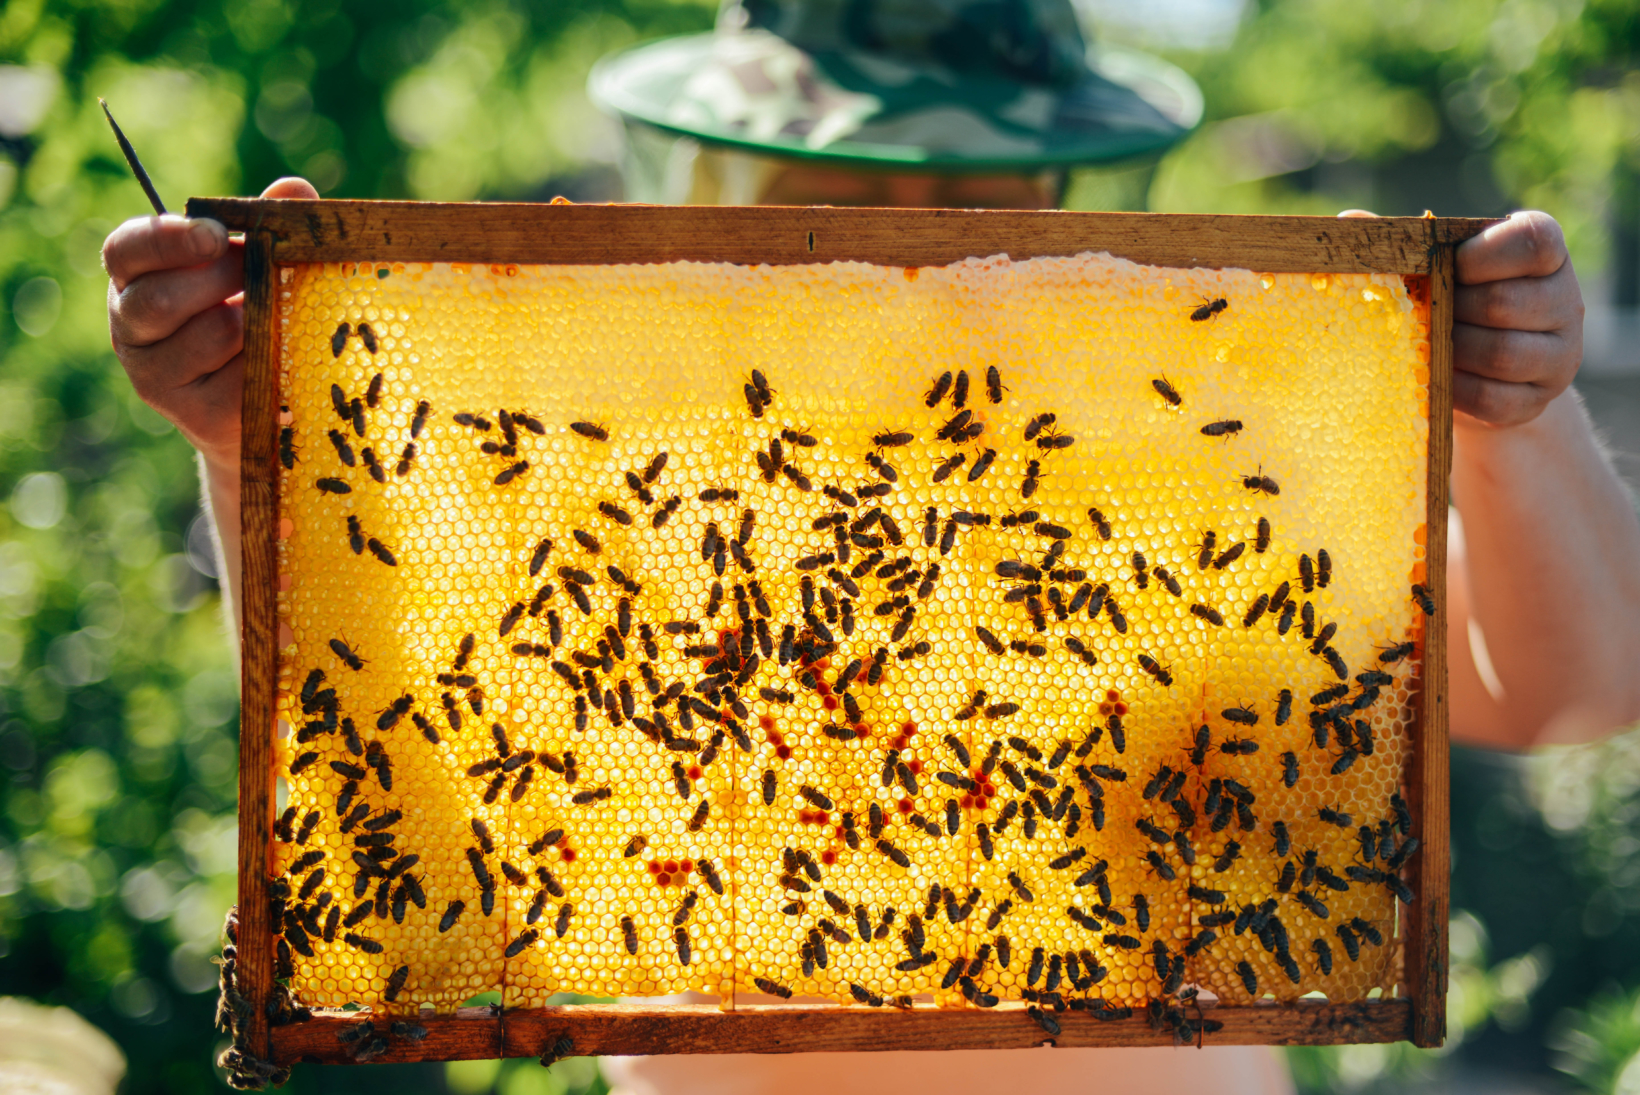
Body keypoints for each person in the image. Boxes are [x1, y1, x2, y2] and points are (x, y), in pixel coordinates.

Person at [102, 0, 1640, 1090]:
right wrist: (262, 440)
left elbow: (1565, 691)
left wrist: (1521, 422)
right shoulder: (636, 481)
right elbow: (391, 772)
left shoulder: (1192, 464)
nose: (903, 229)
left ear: (1052, 180)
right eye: (853, 176)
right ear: (728, 163)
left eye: (955, 182)